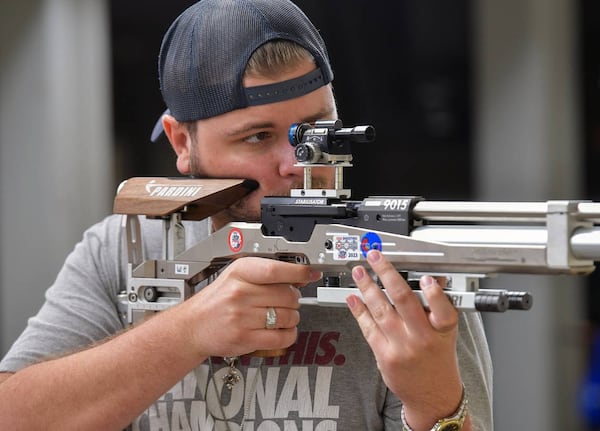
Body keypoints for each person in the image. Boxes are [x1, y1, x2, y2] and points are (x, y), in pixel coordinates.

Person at [0, 1, 493, 430]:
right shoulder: (123, 249)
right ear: (181, 143)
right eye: (257, 137)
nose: (297, 164)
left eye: (316, 131)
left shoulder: (406, 260)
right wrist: (187, 332)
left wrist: (433, 402)